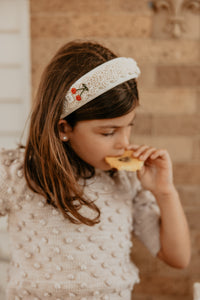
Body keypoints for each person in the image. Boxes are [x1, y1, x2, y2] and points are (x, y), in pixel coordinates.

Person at [0, 41, 190, 300]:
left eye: (128, 126)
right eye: (108, 132)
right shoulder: (19, 175)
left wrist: (164, 191)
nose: (124, 143)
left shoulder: (125, 180)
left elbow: (177, 257)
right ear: (63, 128)